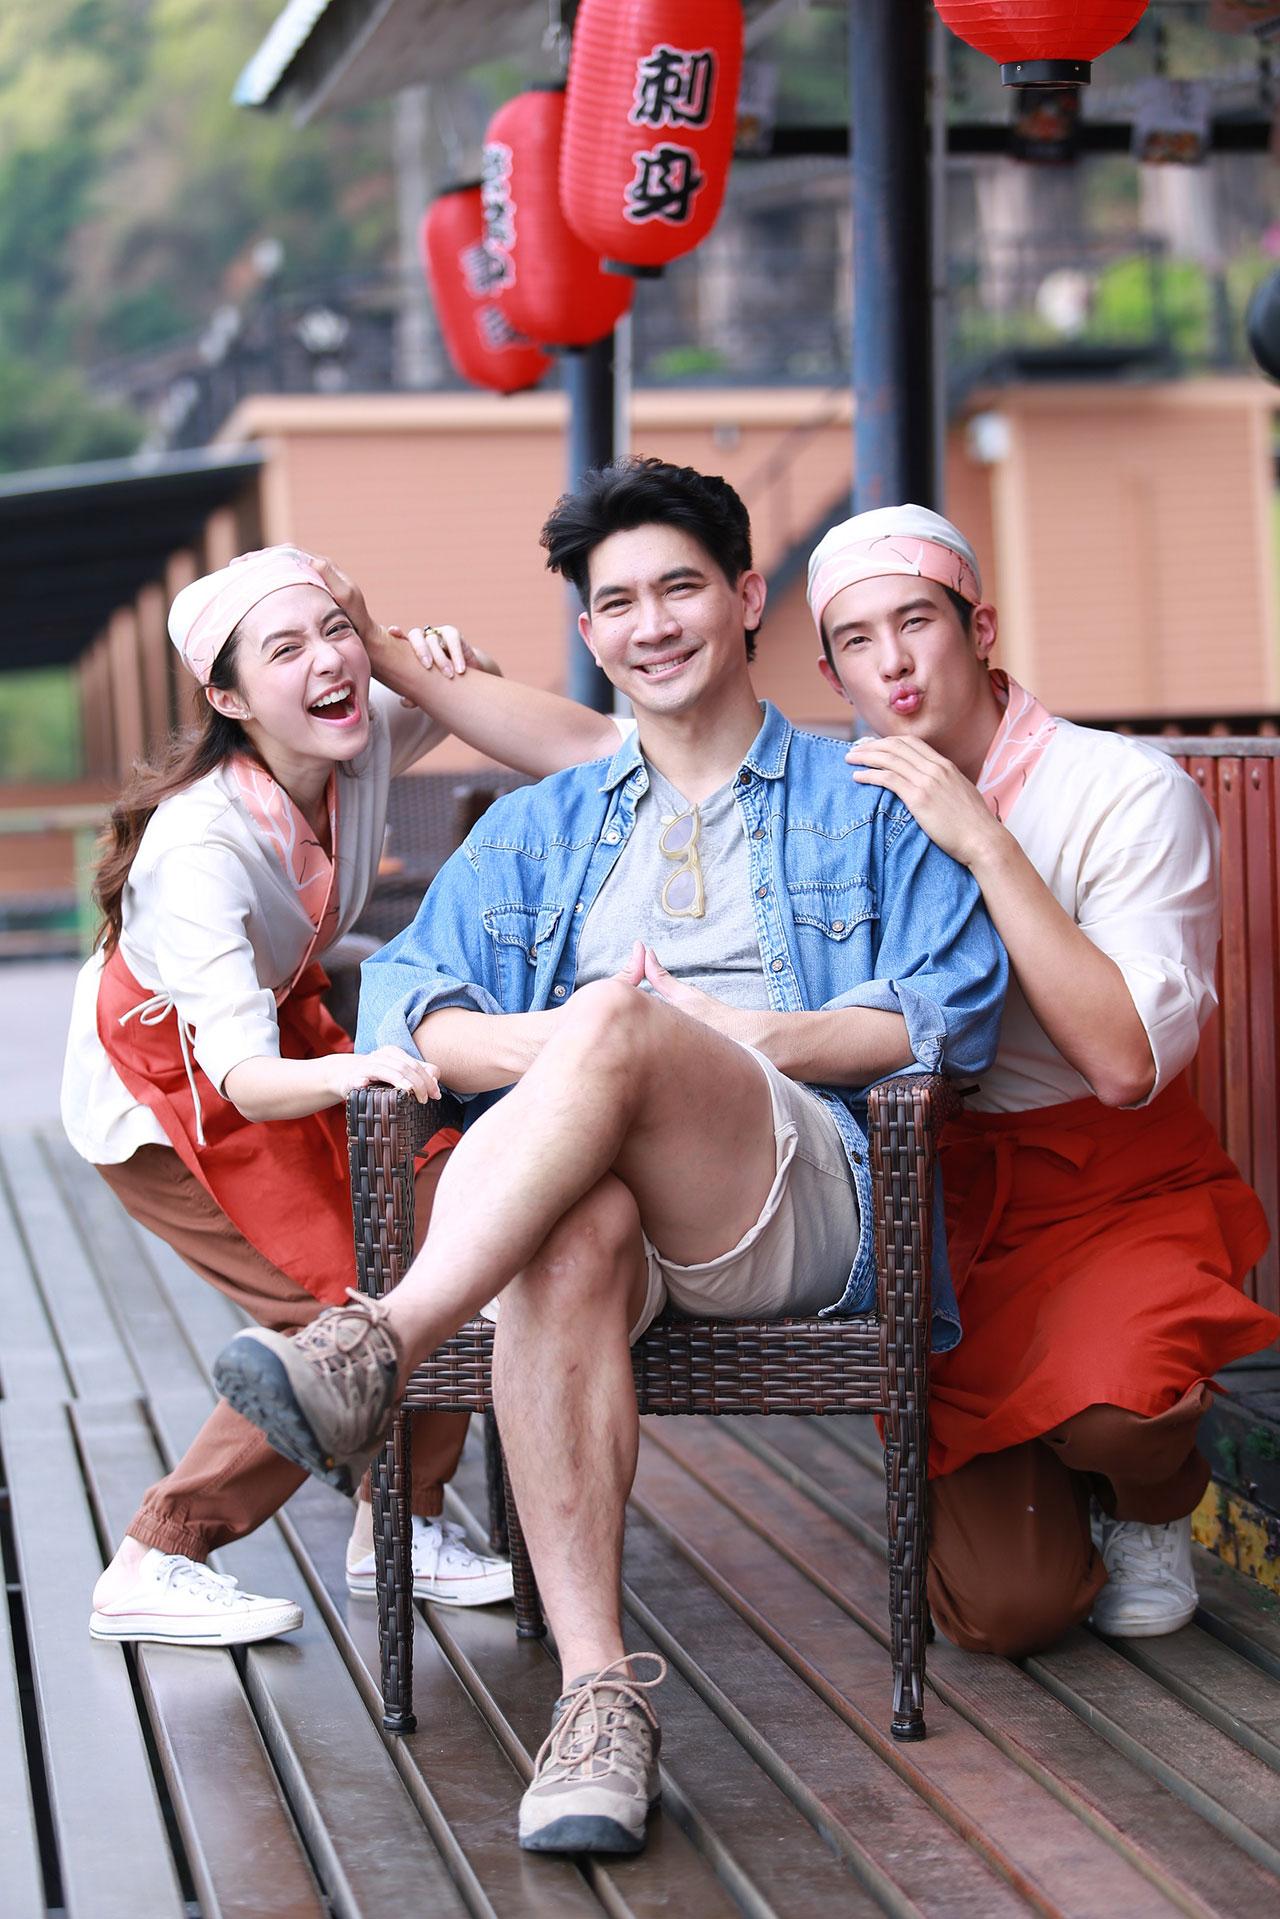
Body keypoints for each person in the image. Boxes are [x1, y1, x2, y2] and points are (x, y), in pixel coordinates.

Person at [210, 458, 1007, 1856]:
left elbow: (947, 1010)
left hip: (795, 1195)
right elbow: (410, 1003)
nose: (651, 624)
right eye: (618, 602)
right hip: (596, 1212)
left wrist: (720, 1035)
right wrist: (572, 1046)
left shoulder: (867, 794)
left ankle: (384, 1337)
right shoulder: (544, 822)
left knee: (620, 1023)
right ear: (588, 631)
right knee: (571, 1223)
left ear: (746, 596)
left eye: (680, 588)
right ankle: (597, 1703)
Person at [64, 542, 623, 1648]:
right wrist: (351, 1067)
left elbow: (498, 705)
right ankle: (157, 1551)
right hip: (169, 1085)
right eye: (287, 649)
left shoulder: (351, 734)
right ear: (229, 698)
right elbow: (240, 1077)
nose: (327, 662)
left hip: (285, 1034)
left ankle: (399, 1521)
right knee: (338, 1310)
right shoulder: (200, 843)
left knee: (452, 1227)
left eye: (335, 633)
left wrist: (421, 657)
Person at [807, 503, 1280, 1654]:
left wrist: (983, 839)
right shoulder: (832, 806)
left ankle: (1146, 1496)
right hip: (944, 1209)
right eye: (857, 639)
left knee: (1121, 1410)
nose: (893, 661)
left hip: (1108, 1185)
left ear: (977, 628)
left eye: (915, 621)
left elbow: (1121, 1062)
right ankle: (1048, 1484)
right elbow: (611, 741)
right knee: (1004, 1613)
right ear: (830, 672)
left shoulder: (1121, 787)